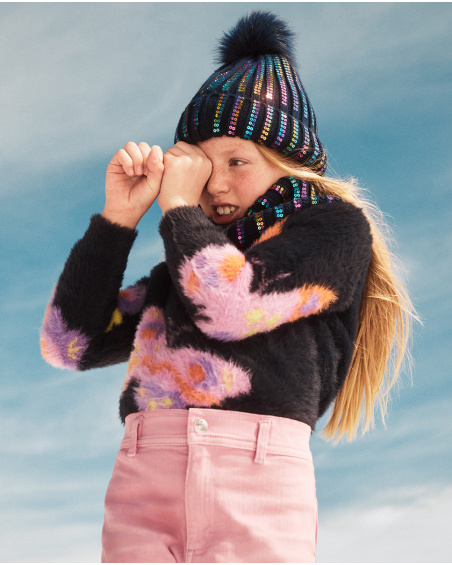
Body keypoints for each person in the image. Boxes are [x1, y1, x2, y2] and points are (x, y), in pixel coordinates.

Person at [40, 11, 415, 563]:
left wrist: (179, 207)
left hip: (258, 480)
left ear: (290, 164)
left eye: (237, 161)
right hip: (146, 471)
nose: (215, 185)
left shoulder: (333, 229)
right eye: (199, 166)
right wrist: (117, 219)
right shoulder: (185, 273)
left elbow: (230, 306)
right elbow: (67, 343)